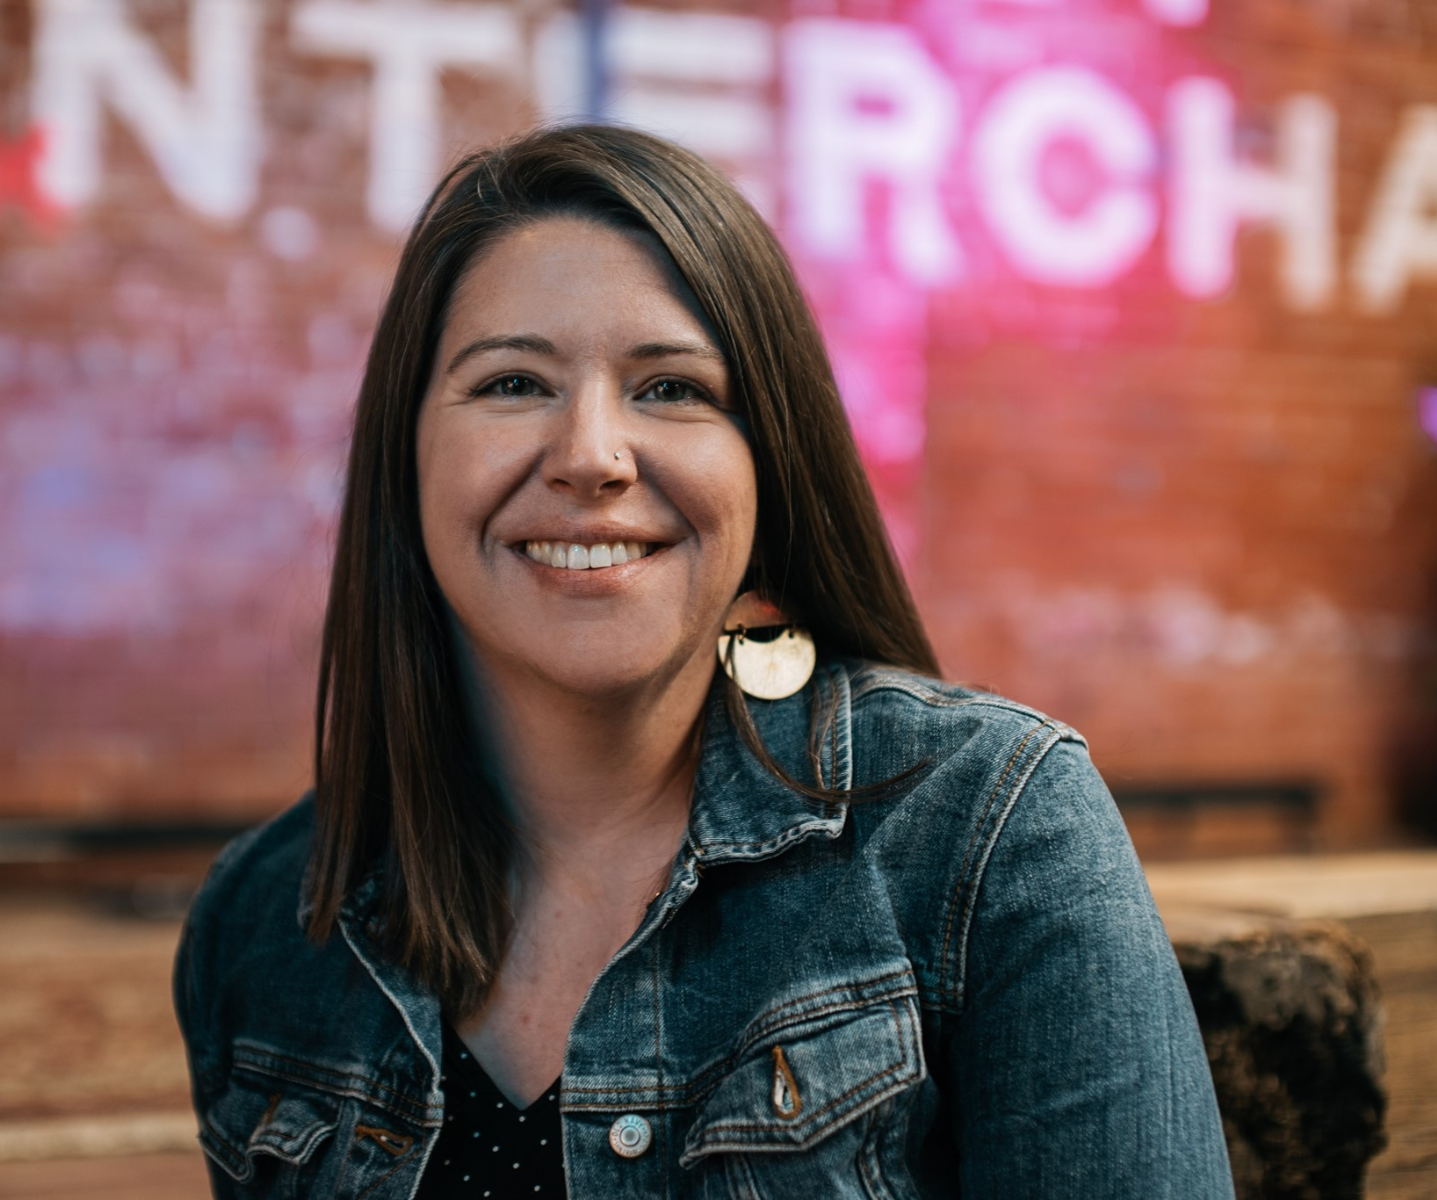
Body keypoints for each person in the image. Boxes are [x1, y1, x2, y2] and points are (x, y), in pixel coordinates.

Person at [174, 124, 1234, 1199]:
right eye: (511, 384)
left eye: (671, 388)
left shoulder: (985, 829)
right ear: (407, 456)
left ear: (768, 456)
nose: (590, 454)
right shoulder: (267, 922)